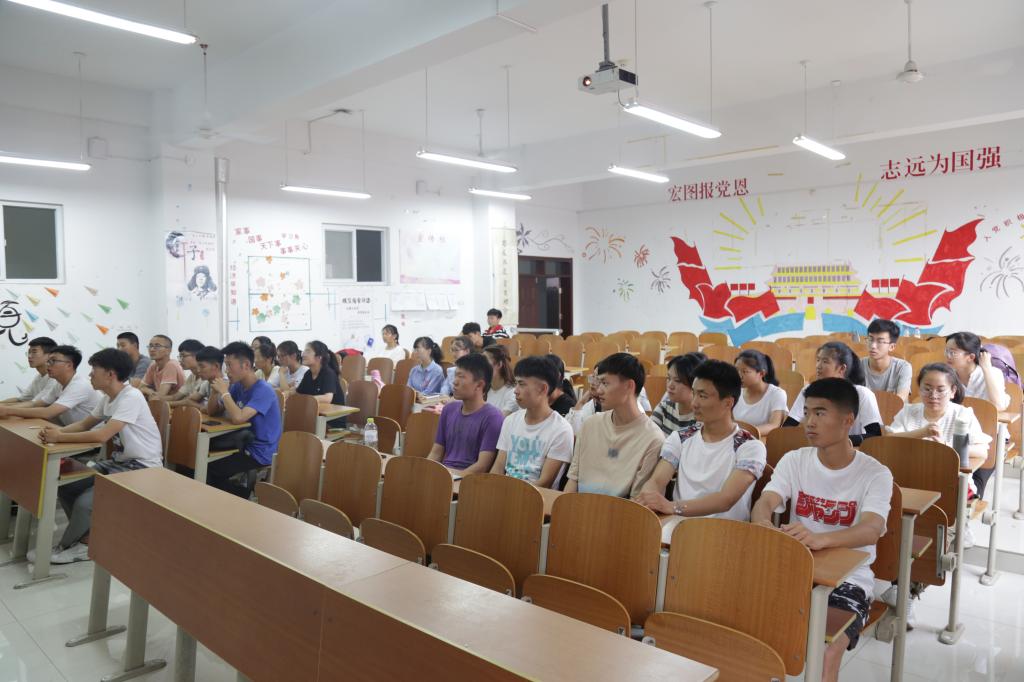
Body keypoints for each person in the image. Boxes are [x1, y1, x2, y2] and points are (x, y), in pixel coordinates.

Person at [751, 378, 892, 682]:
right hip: (794, 569)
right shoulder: (794, 460)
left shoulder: (875, 473)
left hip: (848, 580)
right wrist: (763, 524)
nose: (809, 422)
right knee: (746, 629)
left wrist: (820, 539)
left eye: (820, 413)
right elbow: (766, 501)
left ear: (848, 420)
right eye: (806, 412)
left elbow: (871, 529)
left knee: (827, 651)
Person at [37, 348, 163, 564]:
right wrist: (55, 434)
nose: (90, 374)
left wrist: (59, 437)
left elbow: (102, 435)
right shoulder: (108, 398)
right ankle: (86, 539)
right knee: (67, 485)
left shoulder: (131, 397)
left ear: (110, 374)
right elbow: (84, 424)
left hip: (142, 467)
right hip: (119, 463)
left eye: (94, 370)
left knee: (85, 503)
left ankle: (76, 545)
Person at [635, 360, 766, 522]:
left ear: (728, 403)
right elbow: (656, 481)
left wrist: (673, 507)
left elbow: (726, 499)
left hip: (726, 531)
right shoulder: (681, 438)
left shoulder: (750, 447)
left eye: (702, 396)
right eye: (694, 393)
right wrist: (648, 497)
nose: (694, 403)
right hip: (678, 527)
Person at [887, 362, 991, 560]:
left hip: (949, 485)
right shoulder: (908, 412)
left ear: (953, 391)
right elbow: (889, 441)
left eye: (940, 390)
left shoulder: (963, 415)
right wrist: (923, 432)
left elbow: (982, 452)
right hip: (910, 480)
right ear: (919, 389)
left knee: (935, 540)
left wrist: (946, 448)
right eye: (927, 388)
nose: (933, 395)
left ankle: (955, 528)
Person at [565, 353, 664, 497]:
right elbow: (573, 480)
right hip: (578, 507)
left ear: (629, 386)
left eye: (605, 383)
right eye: (599, 383)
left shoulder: (652, 439)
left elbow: (637, 501)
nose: (599, 390)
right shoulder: (590, 425)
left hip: (619, 510)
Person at [206, 342, 282, 497]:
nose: (226, 371)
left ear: (246, 365)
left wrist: (224, 392)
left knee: (209, 470)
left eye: (229, 365)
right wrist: (215, 392)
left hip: (260, 451)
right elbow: (213, 411)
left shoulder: (264, 390)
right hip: (241, 443)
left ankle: (248, 497)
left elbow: (238, 418)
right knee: (200, 461)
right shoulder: (238, 386)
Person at [490, 356, 574, 488]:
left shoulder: (561, 429)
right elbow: (498, 467)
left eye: (522, 384)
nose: (515, 391)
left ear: (543, 388)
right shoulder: (511, 421)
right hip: (504, 491)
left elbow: (545, 482)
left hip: (536, 496)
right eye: (516, 383)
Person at [946, 331, 1010, 501]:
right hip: (957, 435)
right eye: (947, 351)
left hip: (990, 438)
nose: (947, 356)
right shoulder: (947, 376)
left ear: (971, 357)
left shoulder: (992, 373)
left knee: (975, 478)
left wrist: (987, 368)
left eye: (953, 352)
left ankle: (970, 504)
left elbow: (999, 405)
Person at [784, 342, 882, 446]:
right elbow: (787, 427)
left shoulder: (862, 394)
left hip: (852, 450)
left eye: (825, 361)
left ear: (842, 368)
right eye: (818, 360)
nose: (818, 366)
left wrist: (839, 441)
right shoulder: (809, 390)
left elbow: (875, 435)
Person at [428, 353, 505, 473]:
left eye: (461, 377)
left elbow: (482, 466)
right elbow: (436, 452)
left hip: (469, 480)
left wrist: (452, 479)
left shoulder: (493, 417)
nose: (454, 382)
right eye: (455, 376)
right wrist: (425, 472)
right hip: (445, 474)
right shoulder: (449, 409)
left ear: (479, 385)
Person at [0, 345, 99, 425]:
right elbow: (36, 404)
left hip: (88, 436)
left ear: (69, 365)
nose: (48, 364)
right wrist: (5, 408)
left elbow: (48, 413)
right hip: (69, 429)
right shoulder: (59, 383)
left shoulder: (80, 385)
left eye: (53, 361)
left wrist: (8, 410)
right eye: (48, 361)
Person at [565, 368, 648, 436]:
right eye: (592, 377)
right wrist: (581, 403)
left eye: (601, 381)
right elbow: (572, 434)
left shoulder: (631, 411)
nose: (592, 383)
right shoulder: (591, 404)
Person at [733, 349, 788, 436]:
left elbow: (774, 425)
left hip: (760, 440)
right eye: (736, 370)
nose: (739, 376)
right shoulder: (735, 391)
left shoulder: (777, 394)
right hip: (736, 439)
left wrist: (744, 433)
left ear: (761, 373)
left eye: (745, 371)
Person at [650, 352, 706, 435]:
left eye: (677, 381)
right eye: (669, 378)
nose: (670, 385)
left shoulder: (702, 417)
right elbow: (649, 438)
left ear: (694, 384)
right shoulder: (664, 408)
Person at [297, 340, 347, 428]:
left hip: (332, 422)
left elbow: (327, 398)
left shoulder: (328, 373)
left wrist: (306, 399)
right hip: (315, 416)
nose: (303, 354)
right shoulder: (308, 374)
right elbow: (298, 393)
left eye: (307, 351)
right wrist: (287, 393)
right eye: (304, 351)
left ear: (319, 357)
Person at [862, 319, 912, 402]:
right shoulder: (857, 365)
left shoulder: (903, 367)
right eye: (870, 339)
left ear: (892, 347)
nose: (873, 346)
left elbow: (900, 399)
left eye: (880, 341)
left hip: (894, 410)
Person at [2, 336, 58, 404]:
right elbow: (20, 399)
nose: (29, 356)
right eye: (29, 352)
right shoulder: (38, 377)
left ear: (49, 355)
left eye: (34, 352)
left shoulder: (55, 378)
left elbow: (33, 404)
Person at [165, 339, 209, 409]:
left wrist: (162, 404)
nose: (180, 360)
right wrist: (156, 399)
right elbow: (175, 397)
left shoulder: (206, 377)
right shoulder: (192, 376)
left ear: (197, 356)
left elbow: (187, 402)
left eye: (183, 356)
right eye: (180, 356)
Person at [483, 345, 519, 416]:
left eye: (484, 361)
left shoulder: (513, 393)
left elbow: (500, 420)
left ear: (499, 364)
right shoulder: (482, 390)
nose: (479, 365)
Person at [191, 346, 226, 413]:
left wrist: (206, 408)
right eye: (198, 366)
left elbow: (213, 412)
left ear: (216, 366)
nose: (198, 370)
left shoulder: (227, 385)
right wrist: (202, 407)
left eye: (202, 366)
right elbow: (190, 400)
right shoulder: (206, 383)